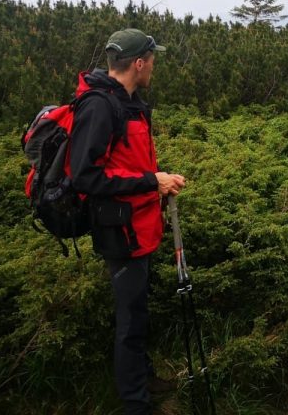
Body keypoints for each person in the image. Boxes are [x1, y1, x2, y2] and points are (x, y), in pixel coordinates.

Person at [70, 28, 186, 415]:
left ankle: (143, 378)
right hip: (119, 231)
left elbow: (126, 165)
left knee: (138, 312)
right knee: (130, 319)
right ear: (139, 63)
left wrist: (158, 179)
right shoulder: (100, 107)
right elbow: (85, 177)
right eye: (152, 59)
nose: (154, 65)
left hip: (140, 225)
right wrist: (151, 180)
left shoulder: (129, 102)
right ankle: (135, 404)